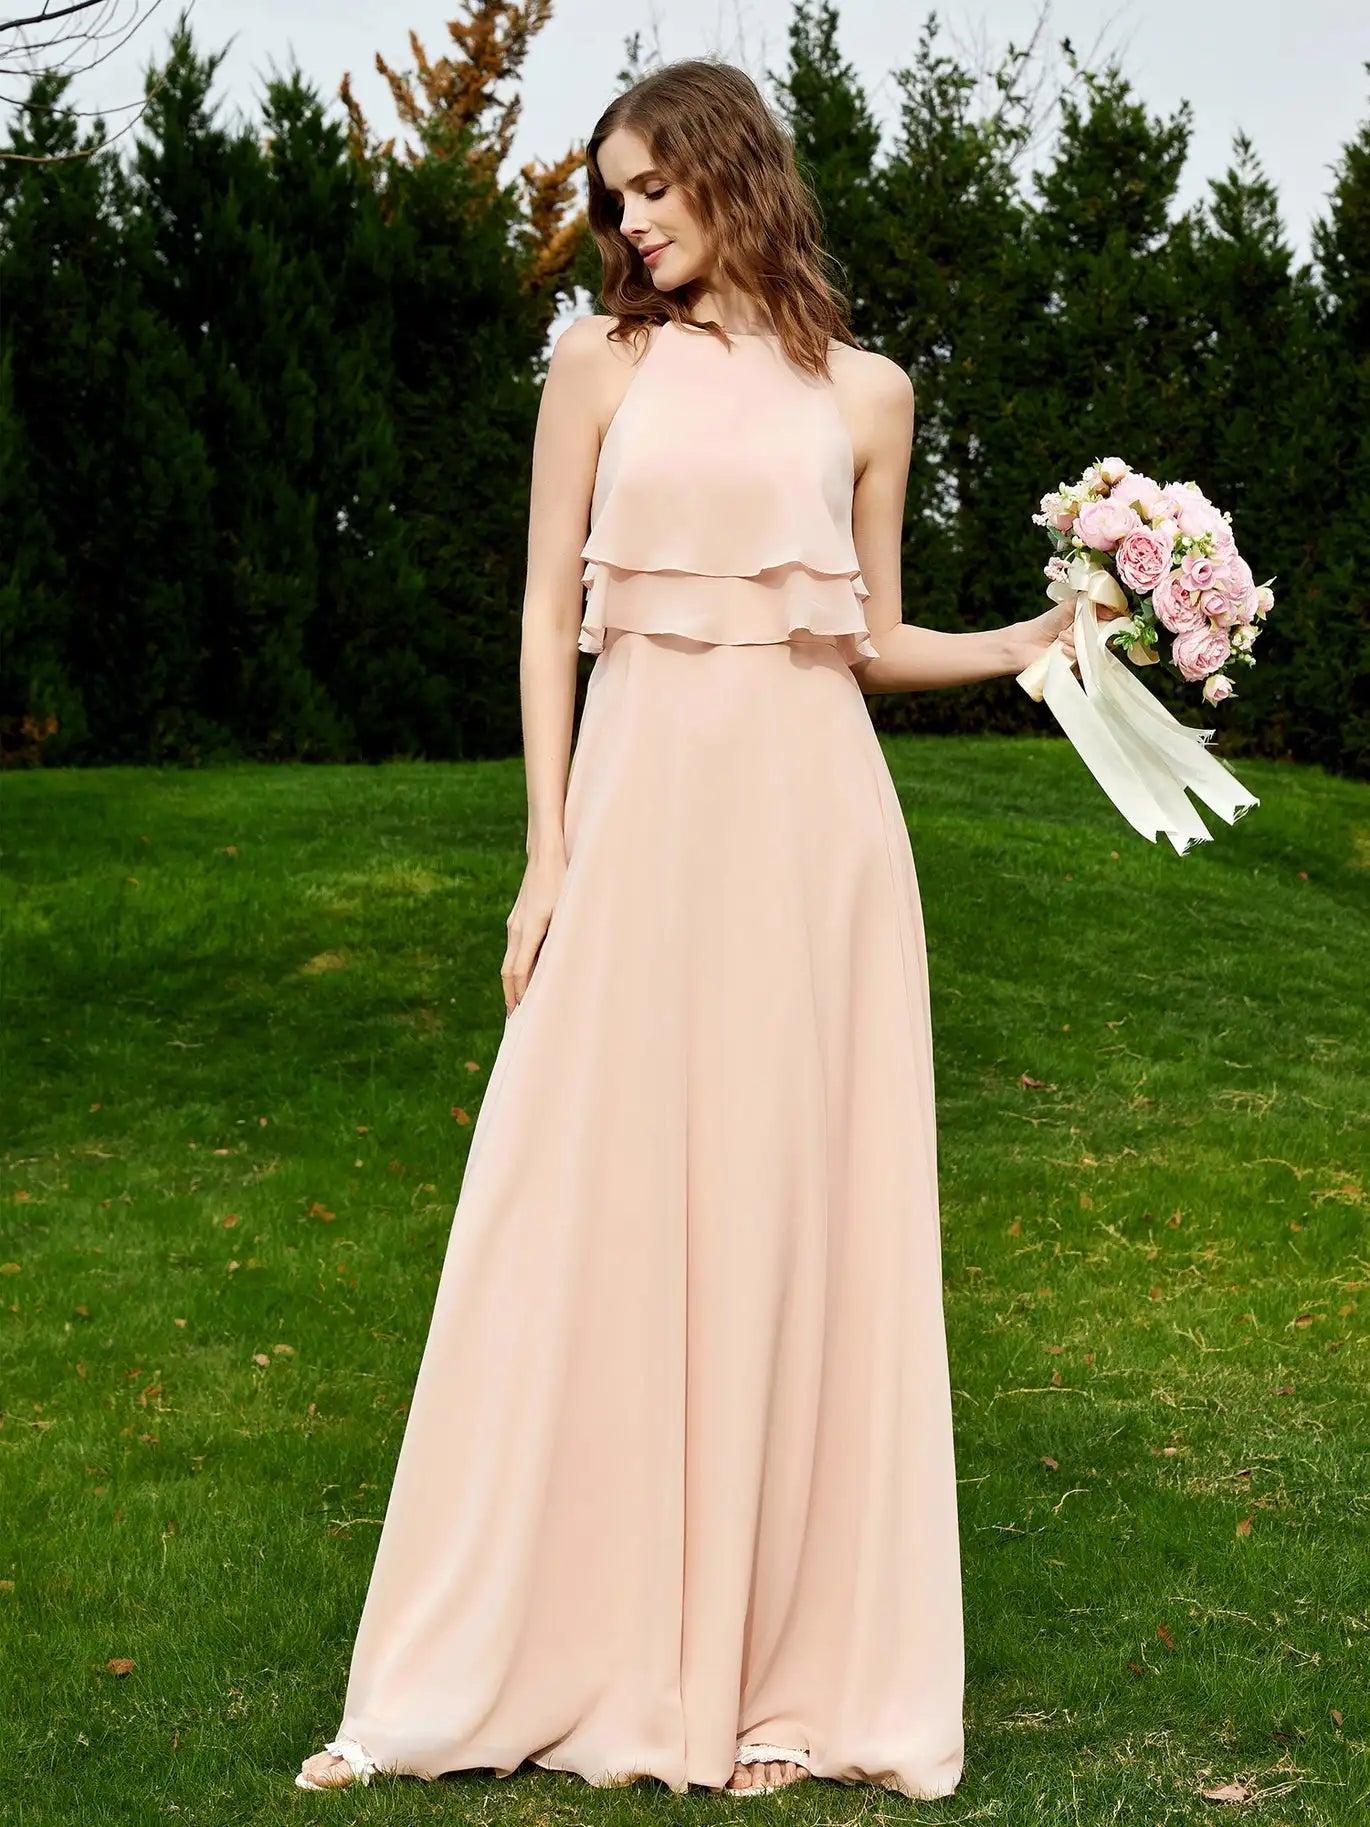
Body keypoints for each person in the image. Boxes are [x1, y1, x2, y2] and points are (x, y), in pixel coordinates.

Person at [296, 56, 1095, 1803]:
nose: (630, 223)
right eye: (613, 199)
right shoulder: (596, 368)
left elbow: (869, 641)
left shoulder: (866, 392)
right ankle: (498, 1663)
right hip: (641, 819)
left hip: (815, 849)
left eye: (653, 187)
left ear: (734, 172)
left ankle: (785, 1676)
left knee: (796, 1223)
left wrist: (1034, 638)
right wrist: (543, 853)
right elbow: (539, 614)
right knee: (568, 1200)